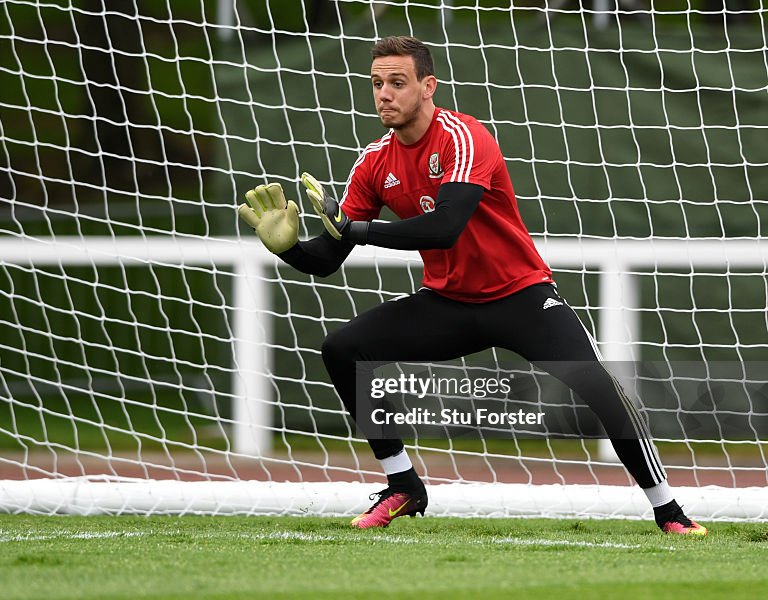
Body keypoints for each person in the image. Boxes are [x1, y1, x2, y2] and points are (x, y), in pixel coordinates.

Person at [237, 35, 707, 535]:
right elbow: (328, 259)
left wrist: (356, 229)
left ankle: (669, 513)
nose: (384, 94)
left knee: (600, 387)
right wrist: (287, 247)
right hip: (449, 302)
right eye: (377, 83)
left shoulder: (464, 137)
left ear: (428, 86)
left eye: (398, 82)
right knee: (342, 349)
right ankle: (403, 487)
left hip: (522, 296)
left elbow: (444, 226)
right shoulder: (374, 161)